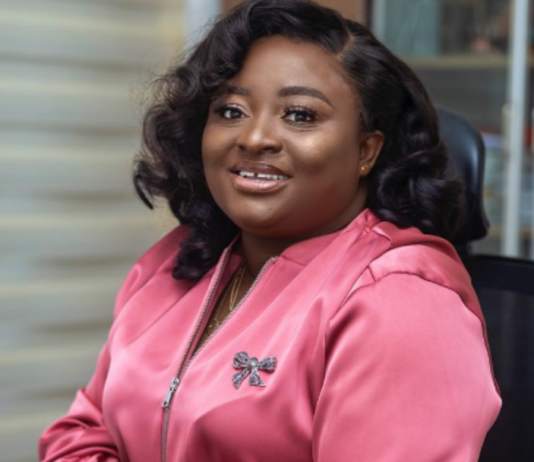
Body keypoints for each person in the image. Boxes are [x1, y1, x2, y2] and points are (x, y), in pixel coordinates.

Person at [38, 0, 502, 461]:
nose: (254, 138)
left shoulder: (400, 303)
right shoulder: (173, 263)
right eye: (231, 111)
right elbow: (81, 431)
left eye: (300, 114)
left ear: (366, 150)